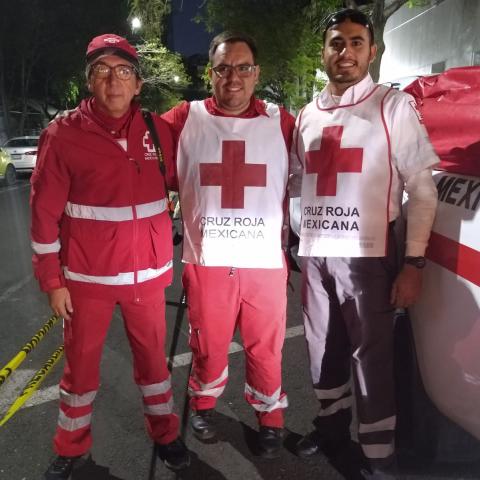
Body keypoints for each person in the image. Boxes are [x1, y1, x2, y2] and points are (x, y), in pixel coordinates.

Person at [30, 34, 190, 480]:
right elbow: (43, 216)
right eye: (102, 71)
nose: (113, 80)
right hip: (85, 282)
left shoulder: (159, 132)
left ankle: (165, 434)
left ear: (138, 83)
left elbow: (192, 184)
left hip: (148, 277)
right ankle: (71, 445)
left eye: (123, 71)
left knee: (155, 367)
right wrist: (51, 281)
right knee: (79, 372)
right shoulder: (61, 136)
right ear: (89, 82)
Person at [290, 9, 439, 478]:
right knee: (321, 347)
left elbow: (423, 186)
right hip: (315, 255)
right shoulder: (307, 115)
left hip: (369, 255)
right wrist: (298, 237)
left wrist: (414, 262)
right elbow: (297, 181)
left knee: (372, 360)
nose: (346, 52)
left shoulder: (391, 106)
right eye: (337, 43)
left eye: (356, 43)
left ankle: (380, 458)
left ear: (372, 51)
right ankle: (332, 430)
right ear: (324, 52)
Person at [162, 31, 295, 458]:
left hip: (263, 265)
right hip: (209, 263)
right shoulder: (184, 118)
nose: (232, 77)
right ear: (210, 73)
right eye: (222, 68)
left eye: (242, 67)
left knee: (266, 347)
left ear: (256, 73)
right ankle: (203, 404)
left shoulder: (283, 122)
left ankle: (270, 419)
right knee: (207, 344)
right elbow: (135, 151)